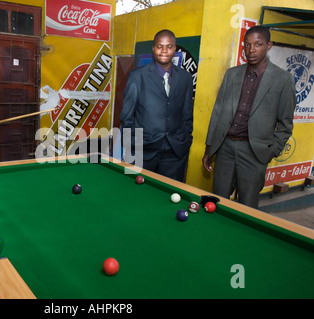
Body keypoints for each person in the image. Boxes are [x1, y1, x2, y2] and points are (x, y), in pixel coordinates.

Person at [202, 26, 296, 209]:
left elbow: (286, 125)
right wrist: (209, 148)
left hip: (255, 153)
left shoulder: (283, 80)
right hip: (225, 148)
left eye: (258, 44)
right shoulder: (232, 74)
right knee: (217, 202)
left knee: (248, 206)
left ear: (269, 45)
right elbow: (218, 112)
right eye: (247, 45)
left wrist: (270, 152)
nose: (251, 50)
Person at [120, 29, 194, 182]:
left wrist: (185, 140)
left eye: (169, 46)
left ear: (174, 48)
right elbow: (127, 117)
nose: (164, 51)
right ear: (153, 49)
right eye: (160, 46)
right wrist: (131, 148)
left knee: (170, 196)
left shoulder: (185, 77)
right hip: (143, 151)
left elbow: (187, 114)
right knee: (136, 197)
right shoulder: (137, 76)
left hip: (174, 153)